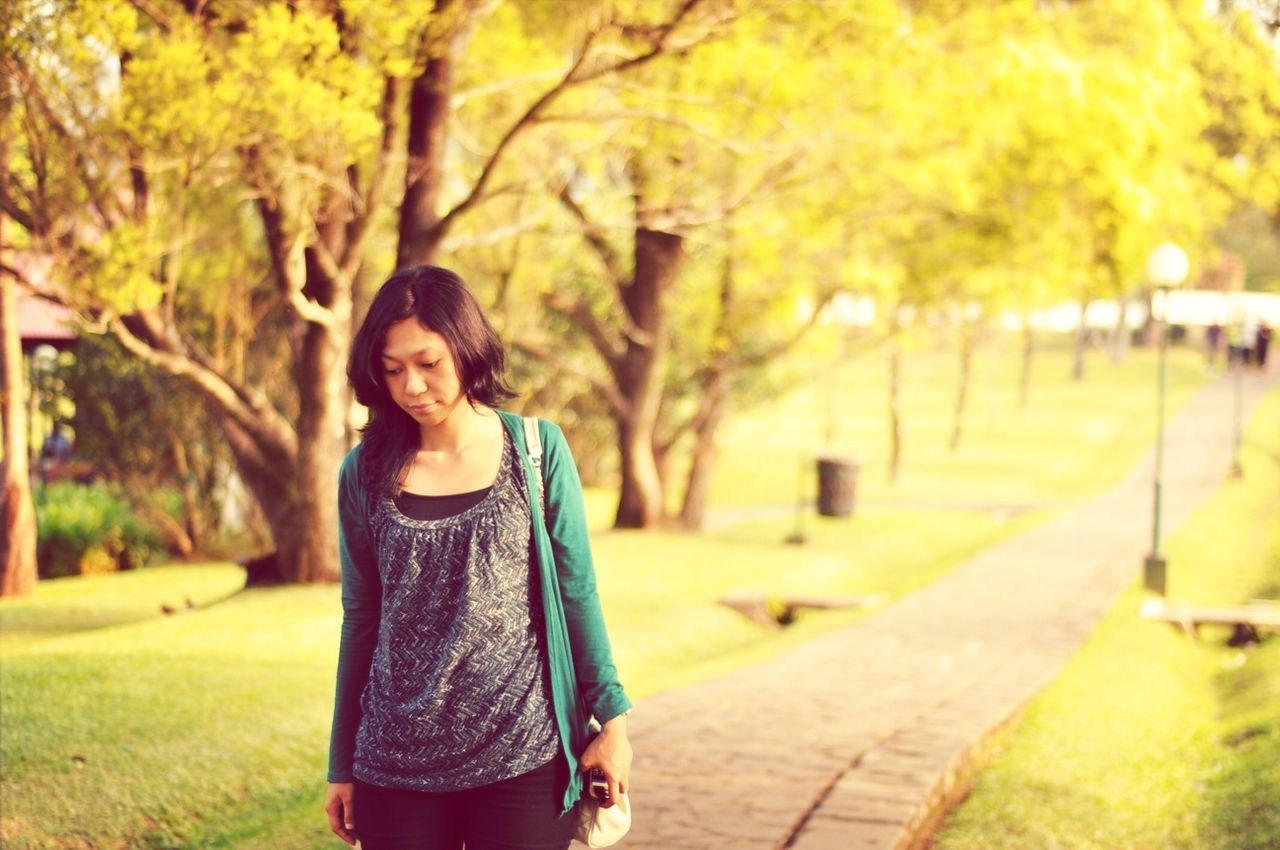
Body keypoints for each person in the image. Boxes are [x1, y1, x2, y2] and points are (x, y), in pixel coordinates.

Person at [324, 265, 632, 850]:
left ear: (466, 349)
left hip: (523, 755)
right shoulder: (362, 473)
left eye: (428, 364)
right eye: (392, 371)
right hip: (395, 763)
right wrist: (342, 764)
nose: (412, 387)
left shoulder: (536, 451)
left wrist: (613, 724)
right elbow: (360, 618)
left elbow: (577, 595)